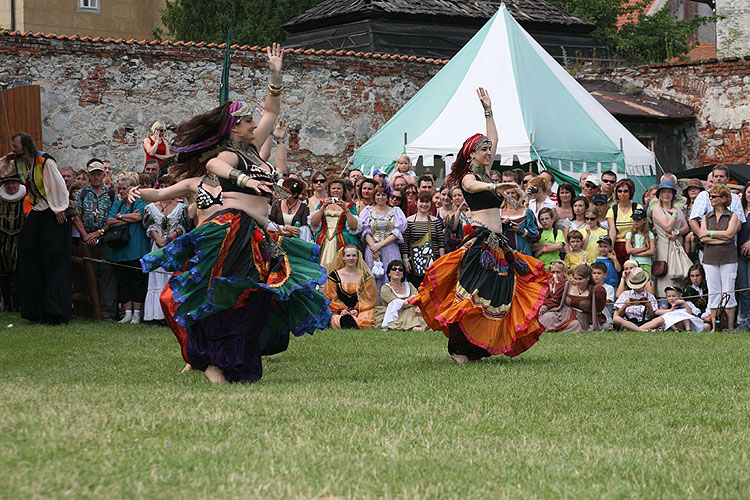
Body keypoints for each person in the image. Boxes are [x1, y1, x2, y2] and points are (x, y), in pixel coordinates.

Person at [139, 45, 331, 384]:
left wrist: (275, 75)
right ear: (232, 129)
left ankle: (231, 364)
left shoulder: (254, 149)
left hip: (257, 235)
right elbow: (213, 165)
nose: (254, 124)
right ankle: (209, 361)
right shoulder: (230, 155)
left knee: (257, 298)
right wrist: (244, 181)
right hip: (232, 231)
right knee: (228, 296)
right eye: (246, 121)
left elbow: (271, 110)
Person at [409, 87, 548, 363]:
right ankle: (459, 350)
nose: (488, 151)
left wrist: (488, 110)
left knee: (498, 295)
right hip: (480, 244)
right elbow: (472, 186)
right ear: (471, 153)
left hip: (499, 243)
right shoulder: (469, 177)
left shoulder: (483, 170)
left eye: (488, 149)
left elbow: (494, 137)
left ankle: (476, 349)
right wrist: (497, 185)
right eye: (483, 149)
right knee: (472, 296)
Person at [0, 133, 71, 324]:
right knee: (28, 253)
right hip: (37, 212)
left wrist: (58, 209)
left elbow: (57, 186)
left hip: (53, 210)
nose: (13, 149)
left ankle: (56, 312)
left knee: (53, 260)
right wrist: (6, 158)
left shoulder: (45, 162)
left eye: (15, 146)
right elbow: (3, 172)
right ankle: (35, 310)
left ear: (25, 146)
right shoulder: (20, 163)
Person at [73, 159, 118, 320]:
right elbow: (76, 216)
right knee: (86, 273)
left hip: (105, 236)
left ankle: (107, 312)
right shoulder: (82, 193)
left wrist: (99, 232)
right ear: (89, 175)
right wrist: (86, 235)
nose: (96, 177)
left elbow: (114, 217)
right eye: (93, 174)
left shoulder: (111, 194)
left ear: (103, 175)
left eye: (99, 174)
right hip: (86, 237)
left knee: (107, 274)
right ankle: (89, 311)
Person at [142, 176, 191, 322]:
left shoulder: (182, 207)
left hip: (174, 246)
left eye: (167, 185)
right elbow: (149, 225)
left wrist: (169, 239)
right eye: (161, 185)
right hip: (156, 246)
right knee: (156, 277)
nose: (164, 188)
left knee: (171, 276)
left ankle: (171, 314)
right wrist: (158, 240)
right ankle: (156, 315)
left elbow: (184, 226)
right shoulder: (150, 207)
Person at [105, 178, 150, 324]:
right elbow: (109, 221)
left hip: (136, 248)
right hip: (119, 250)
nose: (121, 191)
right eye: (120, 189)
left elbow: (139, 217)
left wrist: (119, 217)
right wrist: (124, 218)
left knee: (137, 281)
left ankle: (137, 314)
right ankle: (127, 313)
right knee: (123, 281)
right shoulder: (117, 204)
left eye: (124, 188)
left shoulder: (141, 203)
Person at [699, 184, 741, 331]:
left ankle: (729, 327)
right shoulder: (706, 217)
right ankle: (715, 328)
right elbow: (702, 237)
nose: (711, 198)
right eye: (710, 196)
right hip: (710, 258)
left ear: (723, 198)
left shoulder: (733, 216)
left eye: (714, 196)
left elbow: (730, 234)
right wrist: (719, 237)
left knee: (728, 292)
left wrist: (709, 234)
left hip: (728, 258)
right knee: (713, 292)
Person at [359, 184, 407, 294]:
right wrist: (373, 246)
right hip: (372, 249)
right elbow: (365, 230)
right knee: (374, 276)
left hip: (390, 248)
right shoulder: (367, 211)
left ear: (388, 196)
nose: (380, 197)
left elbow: (397, 232)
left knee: (393, 274)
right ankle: (375, 306)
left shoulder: (395, 211)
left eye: (383, 195)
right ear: (374, 196)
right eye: (378, 195)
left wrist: (380, 245)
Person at [309, 178, 360, 272]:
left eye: (339, 188)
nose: (336, 190)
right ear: (329, 190)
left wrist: (345, 209)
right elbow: (314, 223)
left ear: (343, 190)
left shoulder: (350, 205)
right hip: (323, 238)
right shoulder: (322, 204)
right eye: (333, 188)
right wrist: (323, 207)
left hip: (343, 239)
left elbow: (354, 226)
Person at [324, 244, 378, 329]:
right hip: (339, 312)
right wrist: (342, 310)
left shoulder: (365, 276)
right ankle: (346, 321)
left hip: (361, 311)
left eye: (354, 255)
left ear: (358, 257)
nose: (351, 258)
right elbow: (330, 297)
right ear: (343, 257)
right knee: (334, 317)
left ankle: (351, 321)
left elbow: (369, 299)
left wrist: (356, 310)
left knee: (368, 316)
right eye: (348, 255)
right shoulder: (334, 275)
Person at [540, 264, 606, 332]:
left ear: (588, 278)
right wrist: (544, 307)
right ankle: (554, 329)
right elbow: (556, 300)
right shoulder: (566, 285)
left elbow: (598, 309)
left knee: (574, 325)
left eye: (580, 279)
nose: (577, 282)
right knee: (548, 317)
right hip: (562, 313)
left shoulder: (596, 291)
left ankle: (556, 329)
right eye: (575, 278)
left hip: (579, 318)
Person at [651, 181, 690, 295]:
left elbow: (686, 227)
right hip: (664, 248)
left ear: (673, 194)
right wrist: (673, 215)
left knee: (679, 276)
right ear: (660, 195)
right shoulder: (657, 209)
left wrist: (677, 232)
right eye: (664, 192)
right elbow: (667, 227)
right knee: (665, 276)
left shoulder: (677, 208)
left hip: (677, 246)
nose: (666, 194)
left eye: (669, 192)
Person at [401, 191, 444, 288]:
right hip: (415, 261)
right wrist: (405, 260)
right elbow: (405, 243)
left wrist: (442, 261)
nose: (424, 204)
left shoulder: (435, 221)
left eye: (427, 202)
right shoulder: (409, 221)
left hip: (434, 261)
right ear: (416, 202)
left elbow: (440, 242)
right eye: (422, 201)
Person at [375, 260, 428, 331]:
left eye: (400, 269)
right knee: (408, 310)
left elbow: (418, 298)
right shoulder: (385, 288)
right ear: (389, 273)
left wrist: (418, 306)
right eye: (394, 269)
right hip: (394, 314)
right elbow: (396, 304)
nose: (397, 271)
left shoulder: (409, 285)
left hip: (413, 310)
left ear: (403, 274)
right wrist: (414, 302)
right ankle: (417, 328)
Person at [0, 174, 25, 311]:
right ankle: (7, 304)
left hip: (20, 239)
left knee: (20, 272)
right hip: (2, 239)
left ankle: (21, 303)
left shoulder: (26, 197)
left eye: (13, 183)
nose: (10, 186)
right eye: (7, 183)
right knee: (3, 272)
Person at [635, 286, 707, 332]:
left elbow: (689, 313)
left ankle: (688, 329)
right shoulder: (664, 303)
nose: (671, 298)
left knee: (684, 314)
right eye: (669, 296)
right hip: (669, 321)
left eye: (674, 296)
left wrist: (684, 303)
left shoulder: (683, 303)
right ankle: (674, 329)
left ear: (679, 296)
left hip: (681, 320)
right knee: (668, 315)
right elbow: (656, 312)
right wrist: (670, 310)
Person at [607, 178, 640, 267]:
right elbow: (612, 231)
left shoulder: (637, 207)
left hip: (634, 245)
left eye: (625, 191)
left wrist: (623, 235)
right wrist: (611, 248)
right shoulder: (612, 210)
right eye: (620, 191)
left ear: (631, 192)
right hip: (618, 246)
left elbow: (639, 228)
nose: (622, 194)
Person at [500, 185, 538, 256]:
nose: (510, 195)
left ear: (518, 195)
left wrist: (521, 230)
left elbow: (536, 234)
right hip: (503, 253)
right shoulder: (498, 213)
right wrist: (500, 224)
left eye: (513, 193)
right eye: (507, 193)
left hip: (522, 252)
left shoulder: (527, 212)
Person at [625, 208, 655, 277]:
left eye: (638, 220)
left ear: (644, 220)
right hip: (633, 264)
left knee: (646, 281)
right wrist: (644, 249)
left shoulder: (650, 234)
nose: (636, 222)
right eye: (634, 219)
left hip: (646, 263)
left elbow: (651, 251)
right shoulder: (629, 234)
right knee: (634, 282)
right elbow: (629, 250)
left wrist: (636, 253)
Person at [737, 182, 750, 328]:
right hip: (739, 254)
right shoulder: (739, 210)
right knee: (743, 287)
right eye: (748, 192)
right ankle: (747, 318)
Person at [444, 185, 472, 253]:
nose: (457, 198)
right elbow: (453, 228)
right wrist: (459, 210)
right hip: (460, 248)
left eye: (459, 195)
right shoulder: (449, 215)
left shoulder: (472, 212)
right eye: (454, 196)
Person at [681, 178, 704, 257]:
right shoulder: (683, 208)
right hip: (686, 232)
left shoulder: (704, 206)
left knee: (691, 238)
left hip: (700, 232)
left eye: (696, 188)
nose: (693, 190)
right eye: (690, 189)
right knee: (688, 238)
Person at [590, 261, 615, 329]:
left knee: (606, 327)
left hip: (605, 319)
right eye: (594, 273)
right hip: (591, 319)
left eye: (599, 273)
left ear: (605, 275)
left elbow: (606, 302)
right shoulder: (588, 287)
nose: (596, 275)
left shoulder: (609, 288)